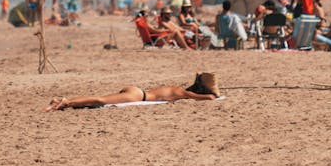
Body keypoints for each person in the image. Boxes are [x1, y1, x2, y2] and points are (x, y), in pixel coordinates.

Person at [44, 71, 220, 111]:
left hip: (137, 90)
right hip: (138, 95)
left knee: (102, 99)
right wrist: (210, 94)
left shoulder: (176, 88)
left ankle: (64, 100)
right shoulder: (181, 93)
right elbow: (201, 98)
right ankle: (66, 102)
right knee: (100, 100)